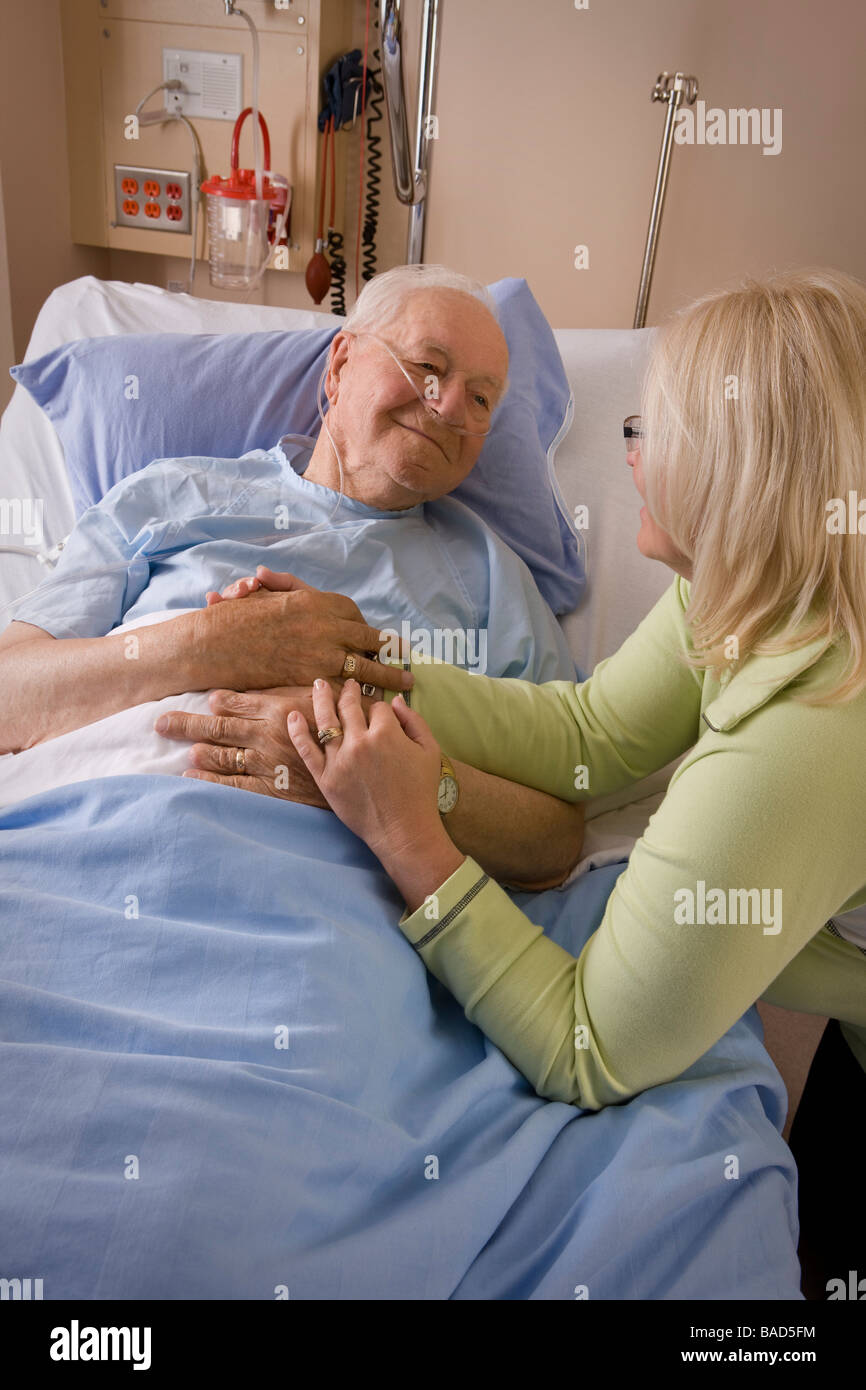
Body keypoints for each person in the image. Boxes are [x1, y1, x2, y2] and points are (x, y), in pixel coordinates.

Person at [268, 267, 866, 1291]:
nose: (630, 451)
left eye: (654, 429)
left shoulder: (805, 740)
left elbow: (588, 1044)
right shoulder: (735, 583)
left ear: (735, 468)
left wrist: (415, 832)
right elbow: (587, 732)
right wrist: (362, 657)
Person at [0, 264, 584, 891]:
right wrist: (205, 647)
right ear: (339, 367)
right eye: (427, 366)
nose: (447, 406)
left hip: (309, 926)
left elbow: (558, 835)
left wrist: (374, 780)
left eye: (480, 398)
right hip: (67, 854)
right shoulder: (168, 496)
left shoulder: (490, 575)